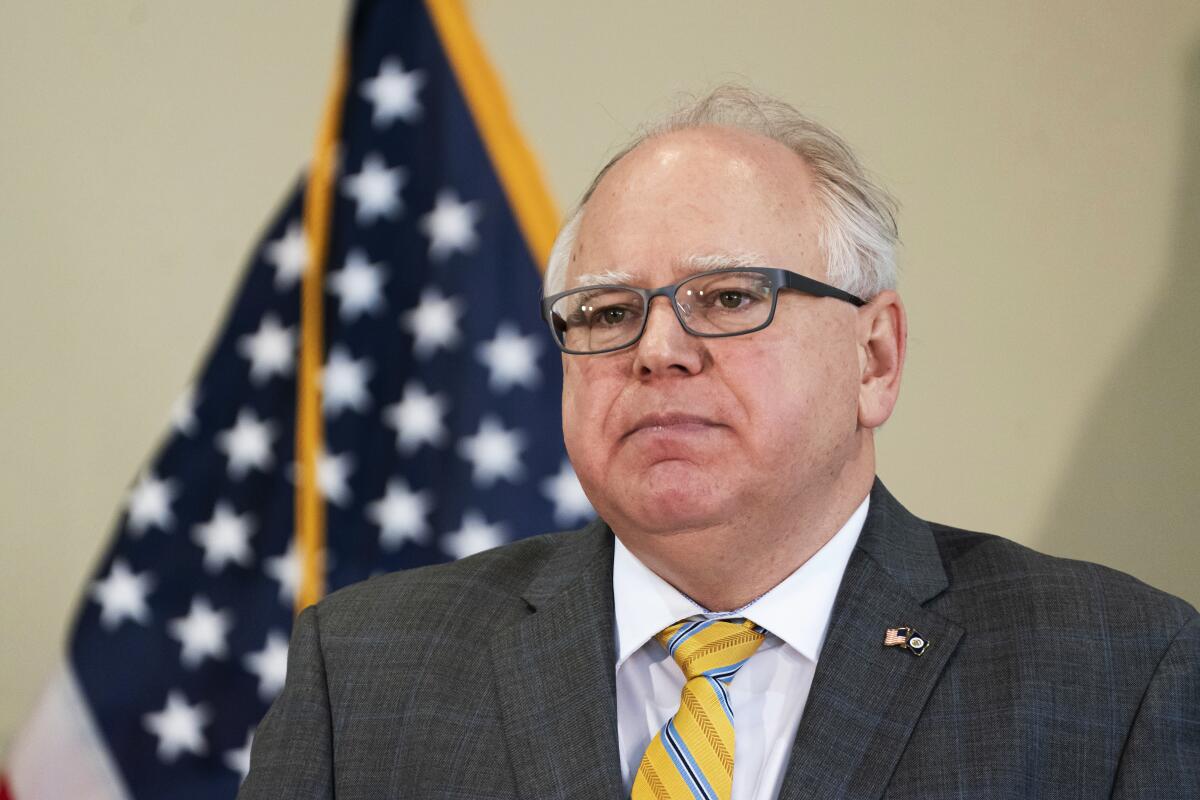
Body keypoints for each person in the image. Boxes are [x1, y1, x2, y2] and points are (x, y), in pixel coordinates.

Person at [239, 87, 1199, 800]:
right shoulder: (365, 674)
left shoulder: (1116, 675)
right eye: (607, 310)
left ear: (874, 357)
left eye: (731, 297)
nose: (657, 351)